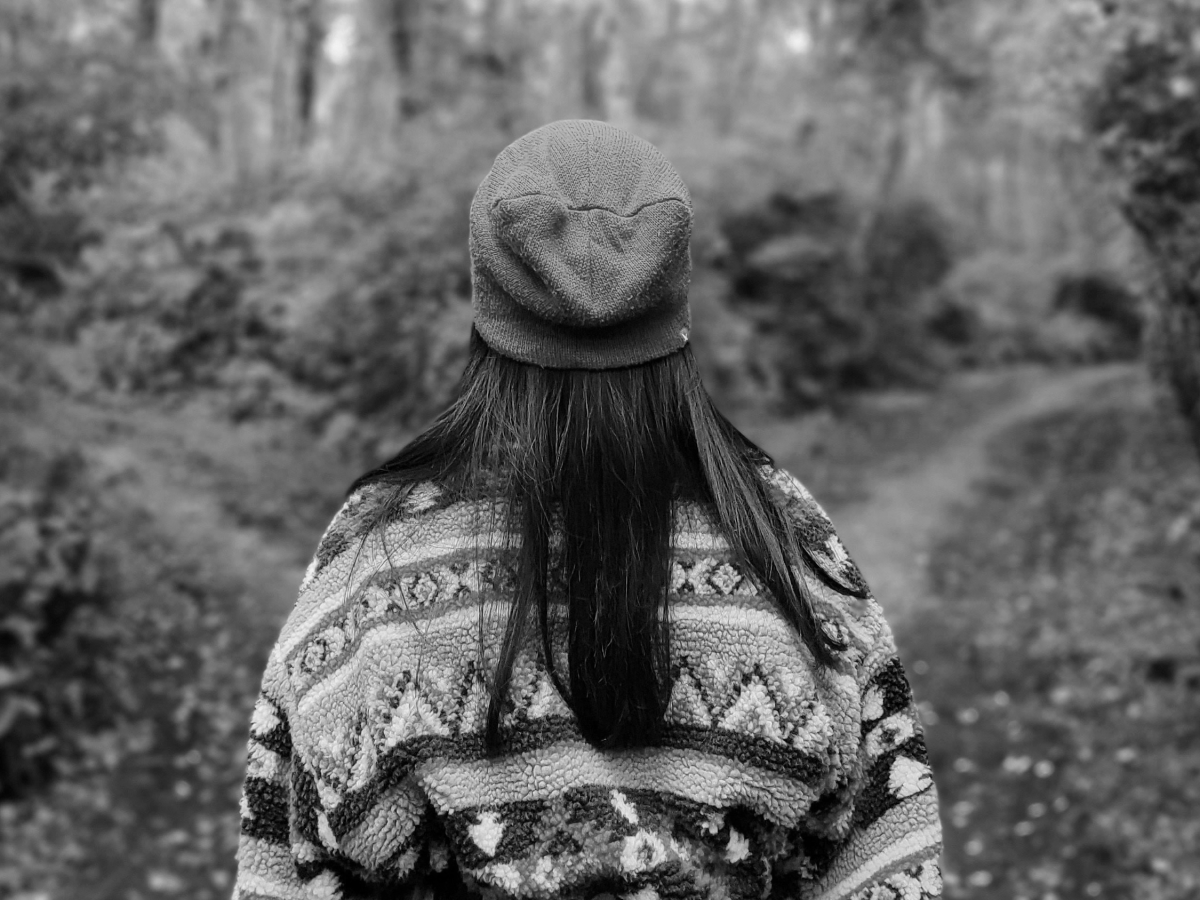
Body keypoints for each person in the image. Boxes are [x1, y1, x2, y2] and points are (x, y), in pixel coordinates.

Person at [232, 120, 942, 900]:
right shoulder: (779, 532)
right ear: (673, 296)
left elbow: (288, 859)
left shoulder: (381, 544)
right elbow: (887, 858)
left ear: (487, 296)